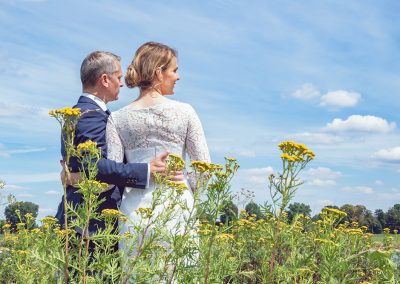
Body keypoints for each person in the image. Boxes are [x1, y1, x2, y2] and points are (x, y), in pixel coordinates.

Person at [54, 51, 175, 237]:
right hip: (90, 225)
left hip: (82, 220)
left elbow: (87, 167)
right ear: (104, 79)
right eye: (118, 77)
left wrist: (73, 177)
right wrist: (146, 170)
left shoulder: (80, 112)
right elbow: (95, 166)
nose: (121, 83)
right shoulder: (90, 115)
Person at [106, 42, 211, 252]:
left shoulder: (116, 119)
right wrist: (187, 190)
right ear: (159, 73)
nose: (178, 76)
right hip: (177, 208)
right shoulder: (186, 111)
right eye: (174, 70)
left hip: (134, 211)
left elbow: (113, 174)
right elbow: (204, 168)